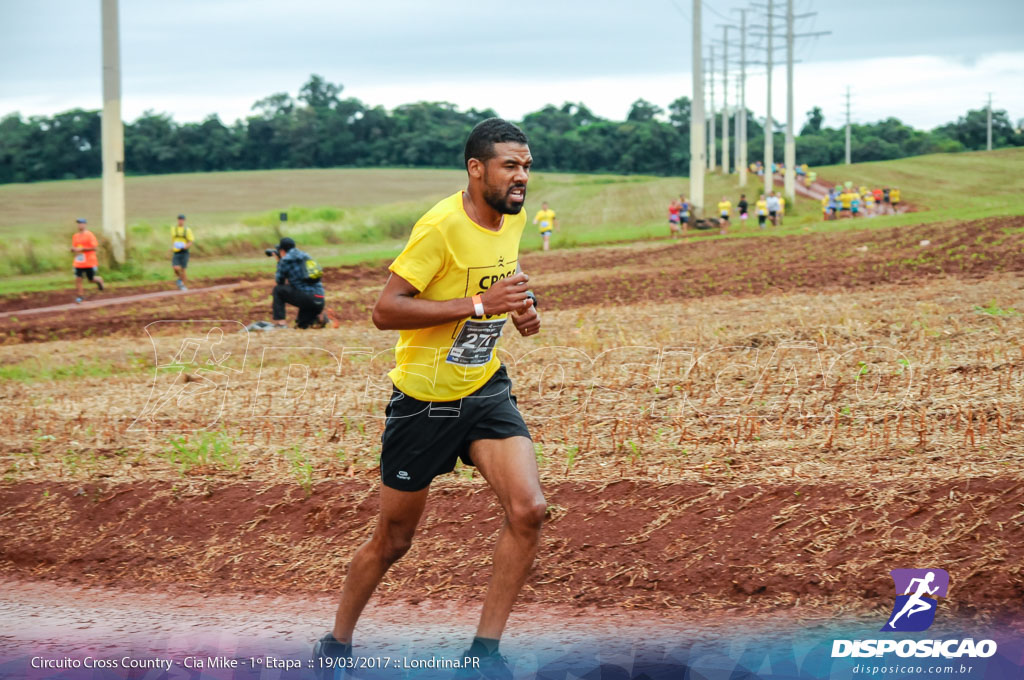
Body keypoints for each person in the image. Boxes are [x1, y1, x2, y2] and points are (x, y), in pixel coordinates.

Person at [313, 118, 544, 679]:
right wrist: (481, 305)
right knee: (394, 539)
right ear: (476, 168)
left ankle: (483, 658)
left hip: (485, 388)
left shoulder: (508, 219)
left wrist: (520, 306)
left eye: (527, 166)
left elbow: (496, 280)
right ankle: (335, 646)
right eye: (510, 166)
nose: (522, 177)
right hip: (423, 403)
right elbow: (385, 310)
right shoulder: (439, 226)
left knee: (529, 510)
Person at [271, 237, 336, 329]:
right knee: (302, 326)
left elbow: (279, 281)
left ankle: (281, 323)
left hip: (306, 298)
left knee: (278, 290)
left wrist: (279, 261)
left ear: (282, 251)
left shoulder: (285, 260)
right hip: (319, 298)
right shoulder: (306, 256)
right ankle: (319, 318)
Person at [70, 218, 104, 303]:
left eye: (81, 223)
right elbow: (75, 247)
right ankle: (80, 296)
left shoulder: (89, 235)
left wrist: (82, 249)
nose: (80, 225)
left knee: (91, 279)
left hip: (89, 262)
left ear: (85, 225)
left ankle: (99, 280)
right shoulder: (75, 236)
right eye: (78, 223)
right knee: (78, 279)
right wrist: (73, 250)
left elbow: (94, 247)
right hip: (79, 262)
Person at [171, 214, 194, 291]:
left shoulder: (187, 230)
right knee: (175, 268)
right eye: (179, 219)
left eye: (182, 219)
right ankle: (179, 280)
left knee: (183, 269)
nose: (180, 221)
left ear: (184, 220)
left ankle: (183, 285)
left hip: (184, 251)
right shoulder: (174, 229)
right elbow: (173, 239)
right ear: (177, 220)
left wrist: (186, 246)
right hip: (176, 251)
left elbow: (191, 241)